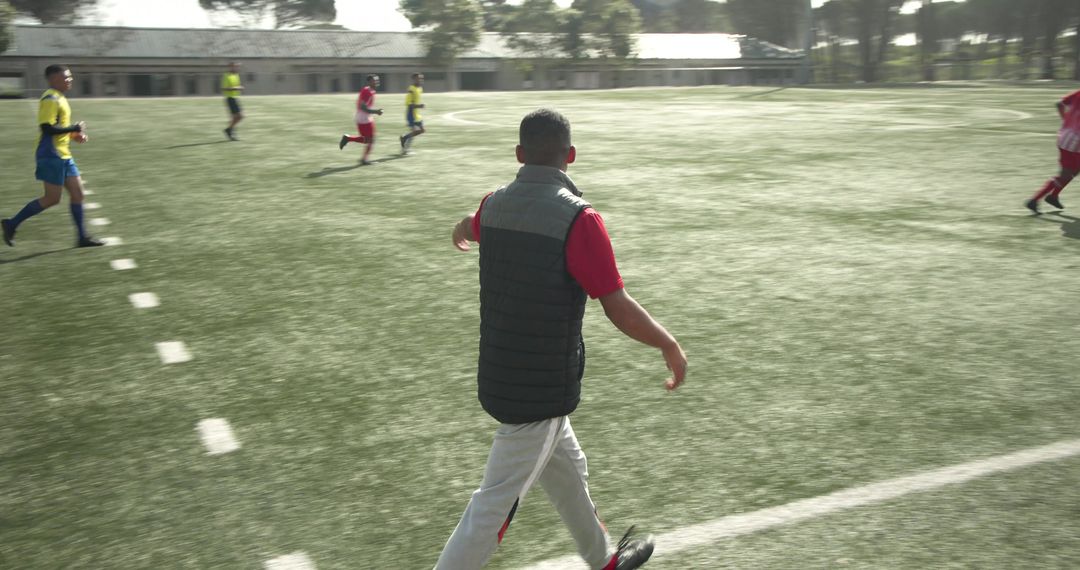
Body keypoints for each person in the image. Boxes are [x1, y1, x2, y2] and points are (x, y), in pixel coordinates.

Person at [438, 108, 688, 570]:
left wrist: (461, 227)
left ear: (519, 154)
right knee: (493, 506)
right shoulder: (580, 219)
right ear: (570, 155)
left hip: (498, 375)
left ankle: (604, 560)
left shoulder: (493, 205)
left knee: (569, 469)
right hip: (541, 388)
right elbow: (617, 306)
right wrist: (667, 344)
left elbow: (472, 223)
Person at [1, 64, 104, 248]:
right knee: (51, 199)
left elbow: (60, 127)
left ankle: (82, 237)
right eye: (66, 77)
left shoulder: (61, 98)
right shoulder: (50, 98)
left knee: (78, 194)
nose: (70, 79)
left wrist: (75, 135)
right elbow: (47, 128)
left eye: (70, 76)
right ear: (53, 79)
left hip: (63, 155)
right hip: (50, 155)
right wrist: (74, 128)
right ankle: (11, 224)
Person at [1026, 88, 1080, 213]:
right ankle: (1034, 200)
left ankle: (1053, 196)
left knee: (1074, 170)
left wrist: (1065, 119)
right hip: (1075, 142)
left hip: (1065, 135)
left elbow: (1059, 103)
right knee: (1066, 173)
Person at [339, 74, 383, 165]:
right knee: (370, 140)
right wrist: (376, 112)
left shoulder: (371, 91)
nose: (377, 82)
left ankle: (348, 138)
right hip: (364, 118)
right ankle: (364, 159)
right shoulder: (367, 91)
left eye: (377, 80)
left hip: (364, 117)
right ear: (369, 82)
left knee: (367, 140)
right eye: (375, 80)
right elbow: (362, 107)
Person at [400, 73, 426, 153]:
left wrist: (419, 106)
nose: (420, 80)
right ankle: (405, 149)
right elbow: (409, 104)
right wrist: (419, 106)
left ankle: (404, 138)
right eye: (418, 78)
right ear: (414, 79)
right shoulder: (411, 89)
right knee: (414, 131)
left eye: (421, 78)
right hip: (411, 114)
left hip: (417, 114)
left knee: (422, 130)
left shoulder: (420, 88)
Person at [222, 62, 244, 141]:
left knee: (236, 117)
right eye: (235, 66)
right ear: (230, 67)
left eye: (237, 67)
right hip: (230, 98)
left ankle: (230, 131)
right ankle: (229, 130)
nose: (237, 68)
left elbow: (237, 85)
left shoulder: (236, 75)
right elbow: (224, 88)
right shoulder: (226, 75)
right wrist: (236, 88)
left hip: (236, 98)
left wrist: (239, 87)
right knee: (240, 116)